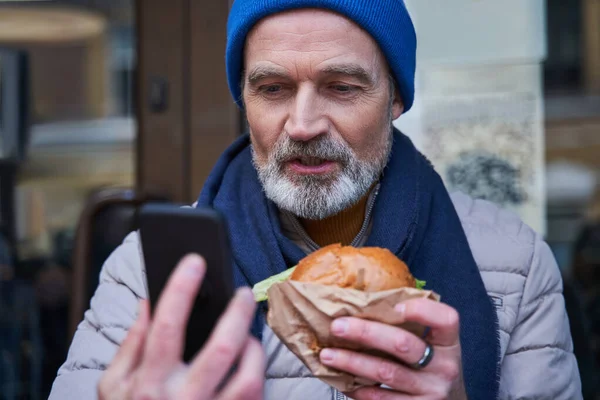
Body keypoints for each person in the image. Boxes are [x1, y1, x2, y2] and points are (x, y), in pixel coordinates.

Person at [49, 1, 582, 399]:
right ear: (245, 99)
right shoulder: (146, 273)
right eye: (273, 89)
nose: (302, 126)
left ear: (395, 98)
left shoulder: (513, 268)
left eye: (342, 87)